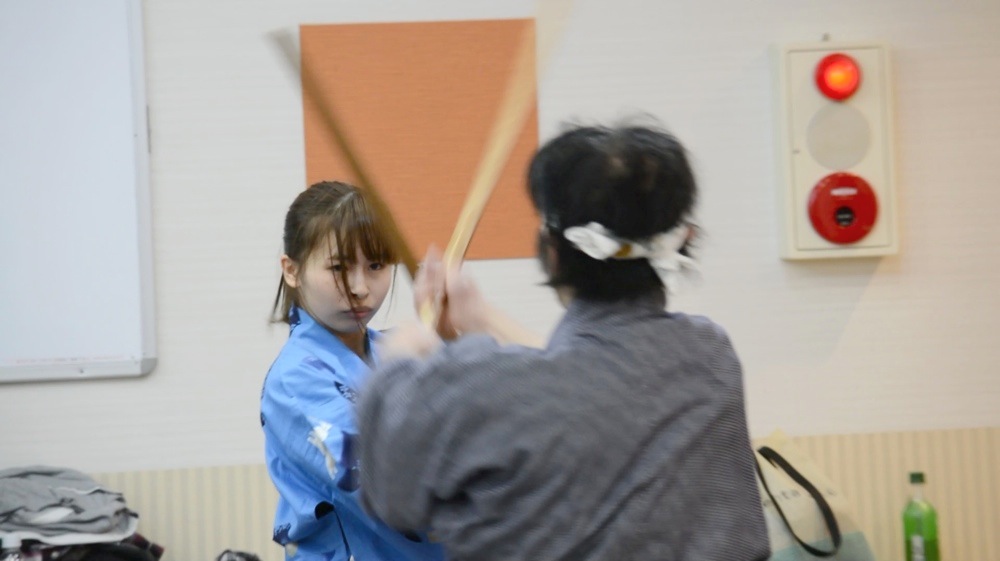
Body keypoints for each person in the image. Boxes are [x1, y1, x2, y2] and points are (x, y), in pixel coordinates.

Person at [355, 124, 771, 561]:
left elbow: (391, 495)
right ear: (682, 240)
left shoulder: (479, 388)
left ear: (552, 251)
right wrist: (481, 320)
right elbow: (597, 373)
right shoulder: (709, 354)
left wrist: (398, 364)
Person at [260, 181, 445, 561]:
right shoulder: (295, 381)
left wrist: (463, 335)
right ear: (292, 270)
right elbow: (386, 488)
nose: (360, 288)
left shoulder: (393, 351)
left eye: (376, 265)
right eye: (339, 267)